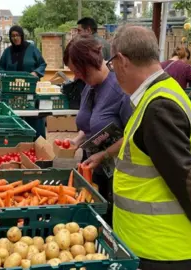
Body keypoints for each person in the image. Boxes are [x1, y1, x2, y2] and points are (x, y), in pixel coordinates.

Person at [107, 25, 191, 270]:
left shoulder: (159, 106)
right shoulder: (164, 93)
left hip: (166, 252)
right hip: (161, 247)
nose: (113, 72)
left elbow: (187, 178)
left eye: (111, 64)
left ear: (122, 60)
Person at [63, 35, 132, 226]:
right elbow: (90, 124)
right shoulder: (88, 87)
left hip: (115, 173)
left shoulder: (120, 90)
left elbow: (132, 134)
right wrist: (77, 141)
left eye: (77, 70)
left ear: (89, 63)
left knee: (107, 221)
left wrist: (104, 154)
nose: (76, 76)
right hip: (91, 167)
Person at [0, 25, 47, 139]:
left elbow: (42, 64)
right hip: (12, 91)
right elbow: (0, 69)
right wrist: (5, 77)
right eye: (13, 36)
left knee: (33, 116)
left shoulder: (32, 49)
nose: (15, 38)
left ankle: (38, 145)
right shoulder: (7, 52)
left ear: (22, 36)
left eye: (17, 35)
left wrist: (36, 73)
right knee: (15, 118)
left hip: (30, 89)